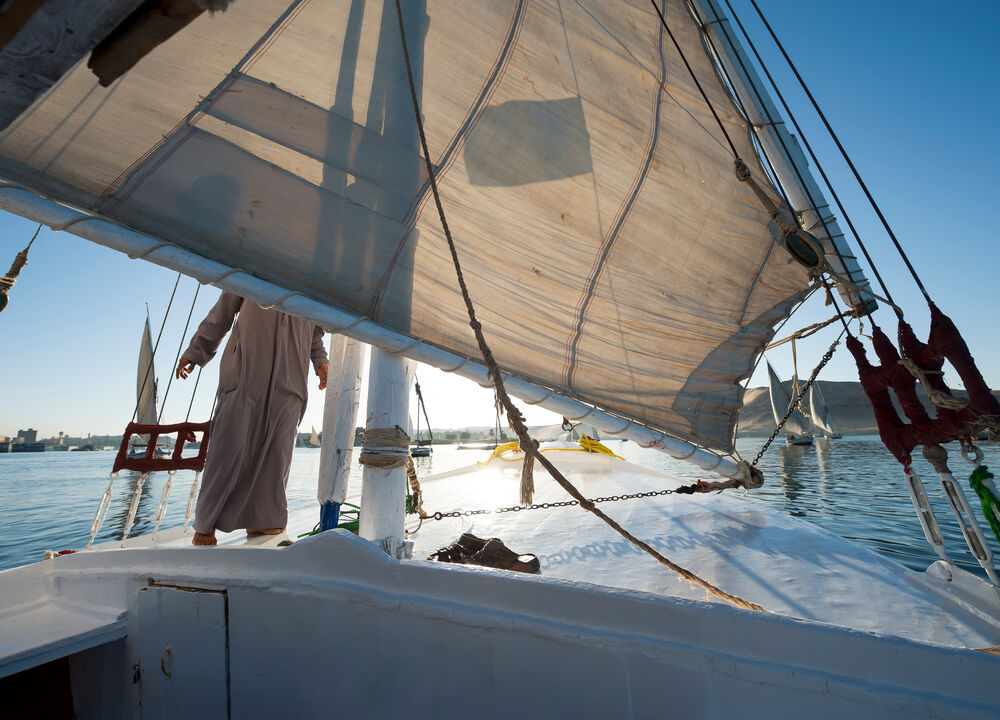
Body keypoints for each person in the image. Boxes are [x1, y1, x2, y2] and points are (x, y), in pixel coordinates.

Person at [176, 292, 329, 545]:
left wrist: (321, 362)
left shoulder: (313, 280)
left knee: (278, 451)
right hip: (245, 371)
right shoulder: (253, 269)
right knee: (229, 448)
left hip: (291, 378)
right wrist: (196, 351)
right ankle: (205, 526)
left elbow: (314, 332)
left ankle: (265, 520)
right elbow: (222, 312)